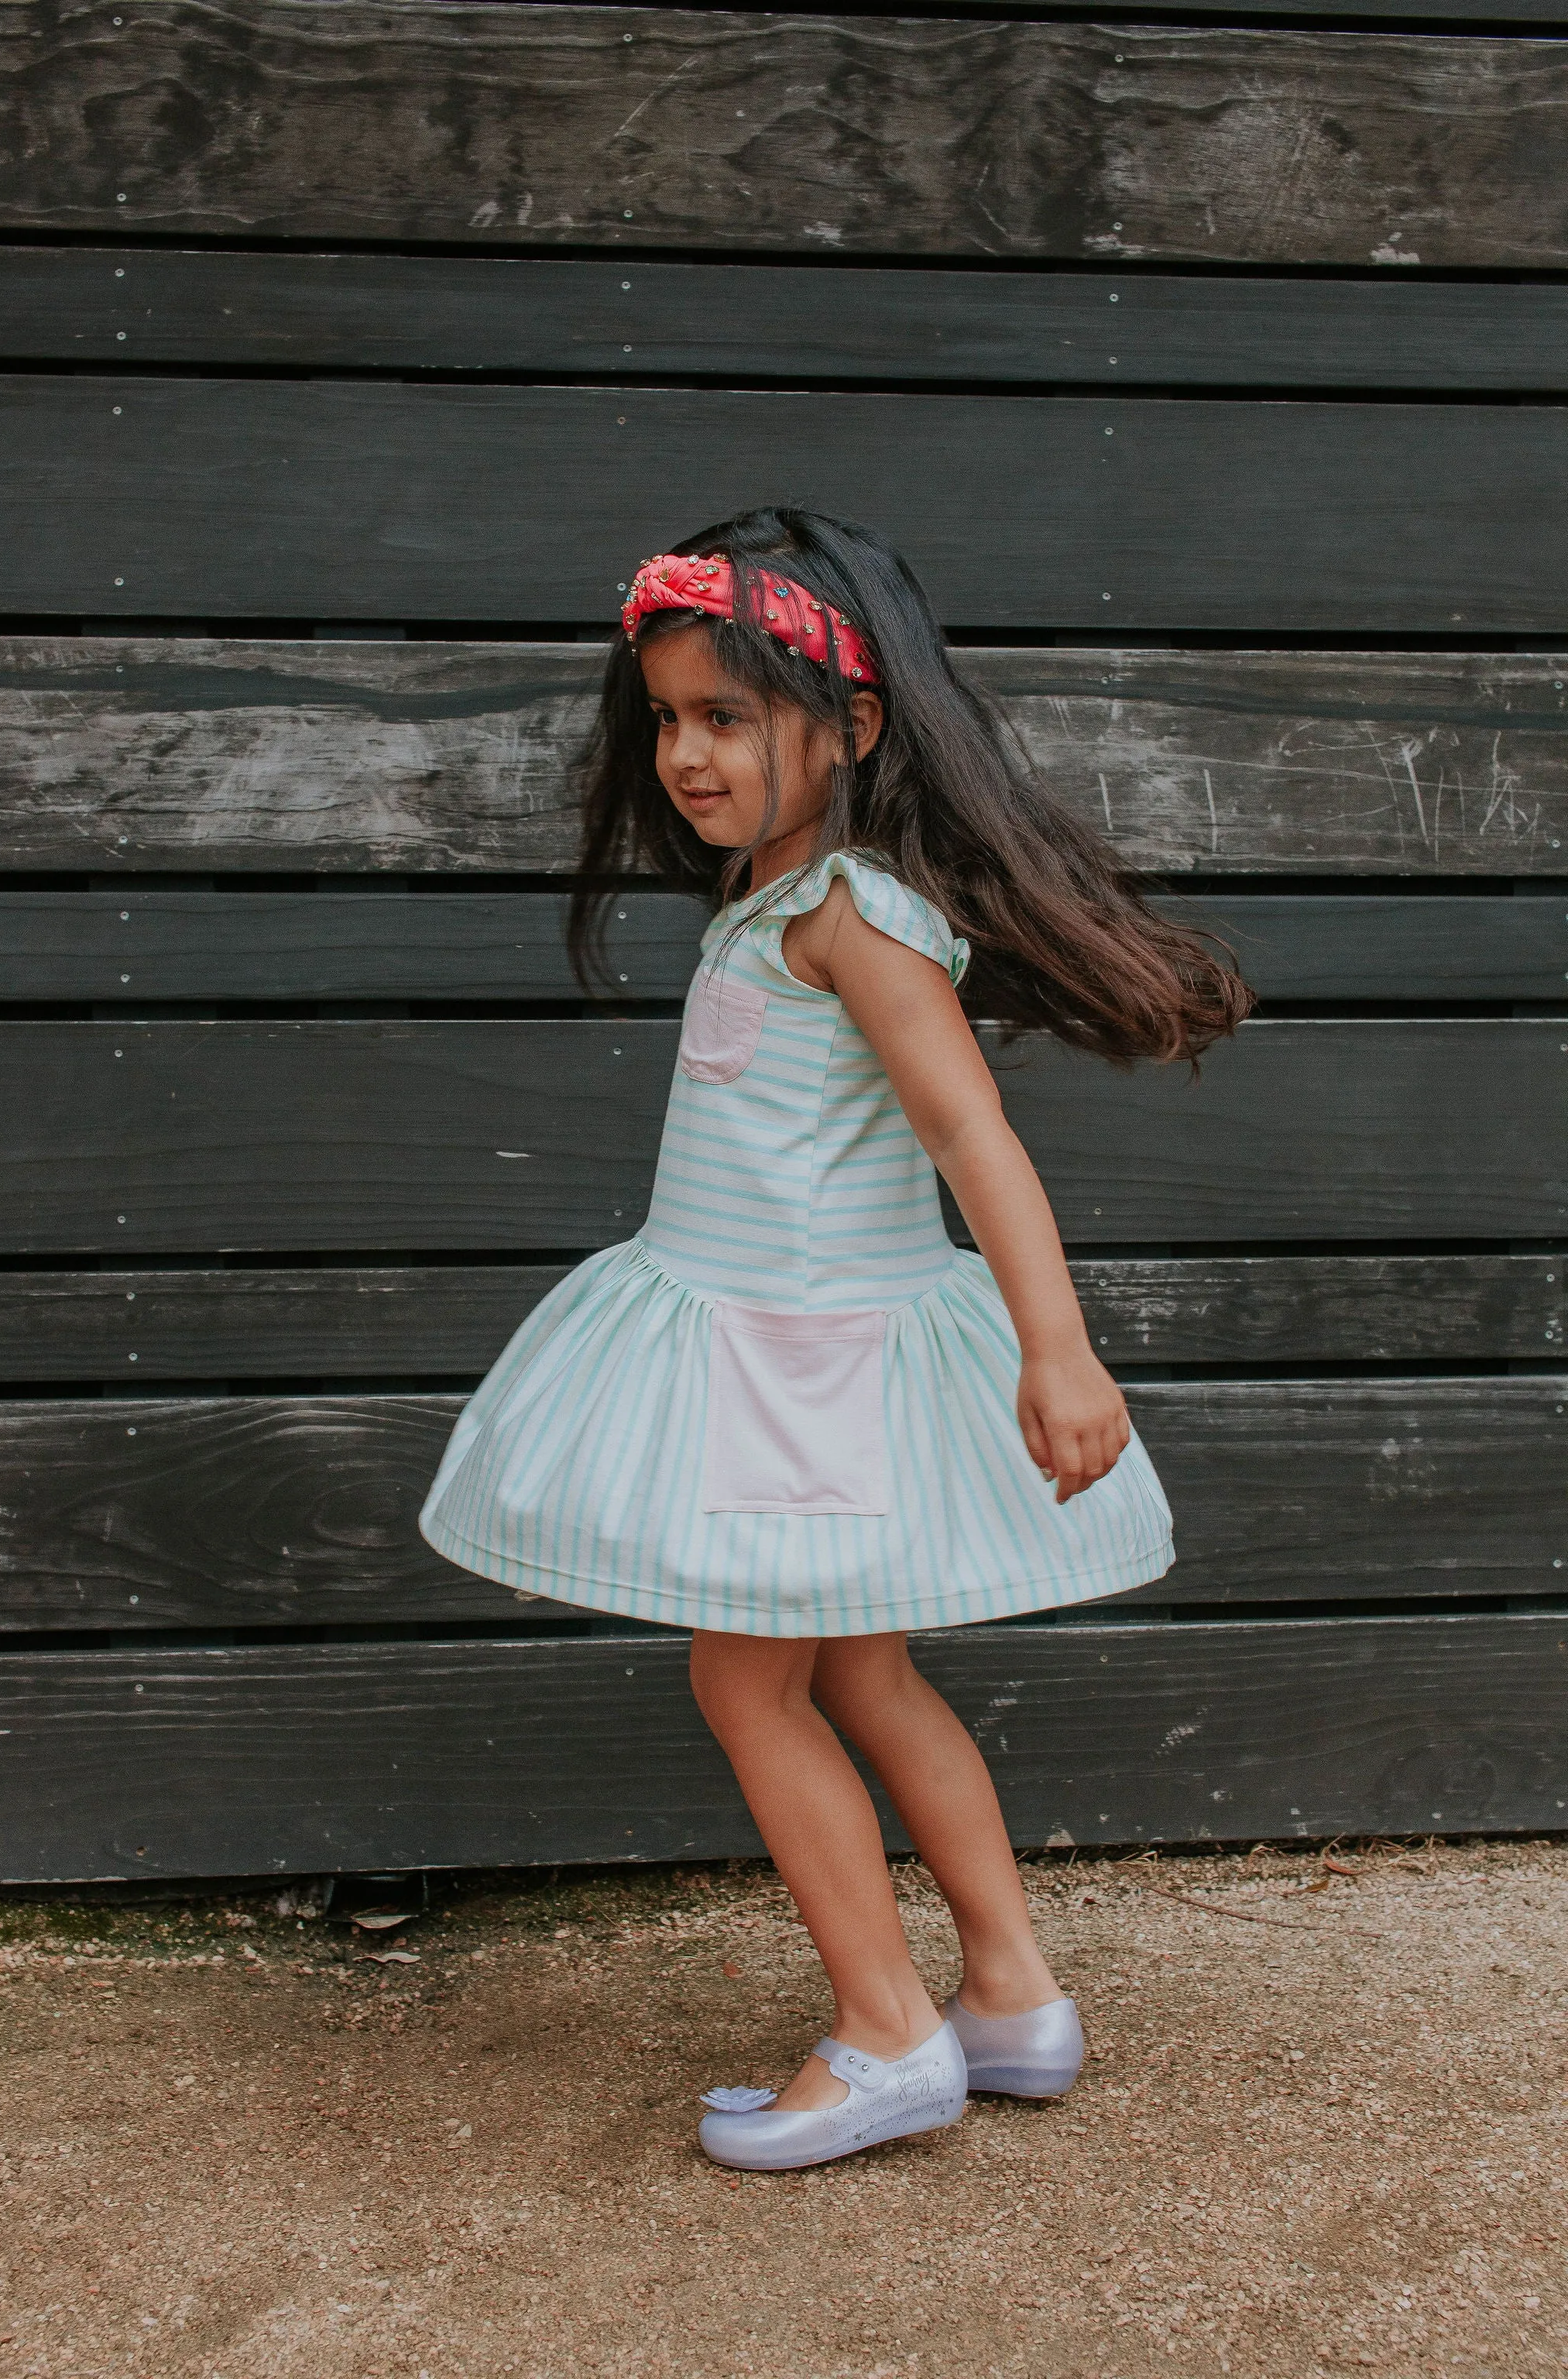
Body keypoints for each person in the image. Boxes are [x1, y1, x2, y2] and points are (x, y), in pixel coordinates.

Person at [420, 506, 1251, 2172]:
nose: (685, 754)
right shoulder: (785, 893)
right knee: (858, 1667)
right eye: (666, 718)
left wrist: (1059, 1348)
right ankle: (1008, 1995)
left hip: (797, 1359)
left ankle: (886, 2033)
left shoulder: (854, 915)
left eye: (726, 716)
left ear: (852, 728)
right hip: (779, 1340)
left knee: (744, 1675)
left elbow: (973, 1139)